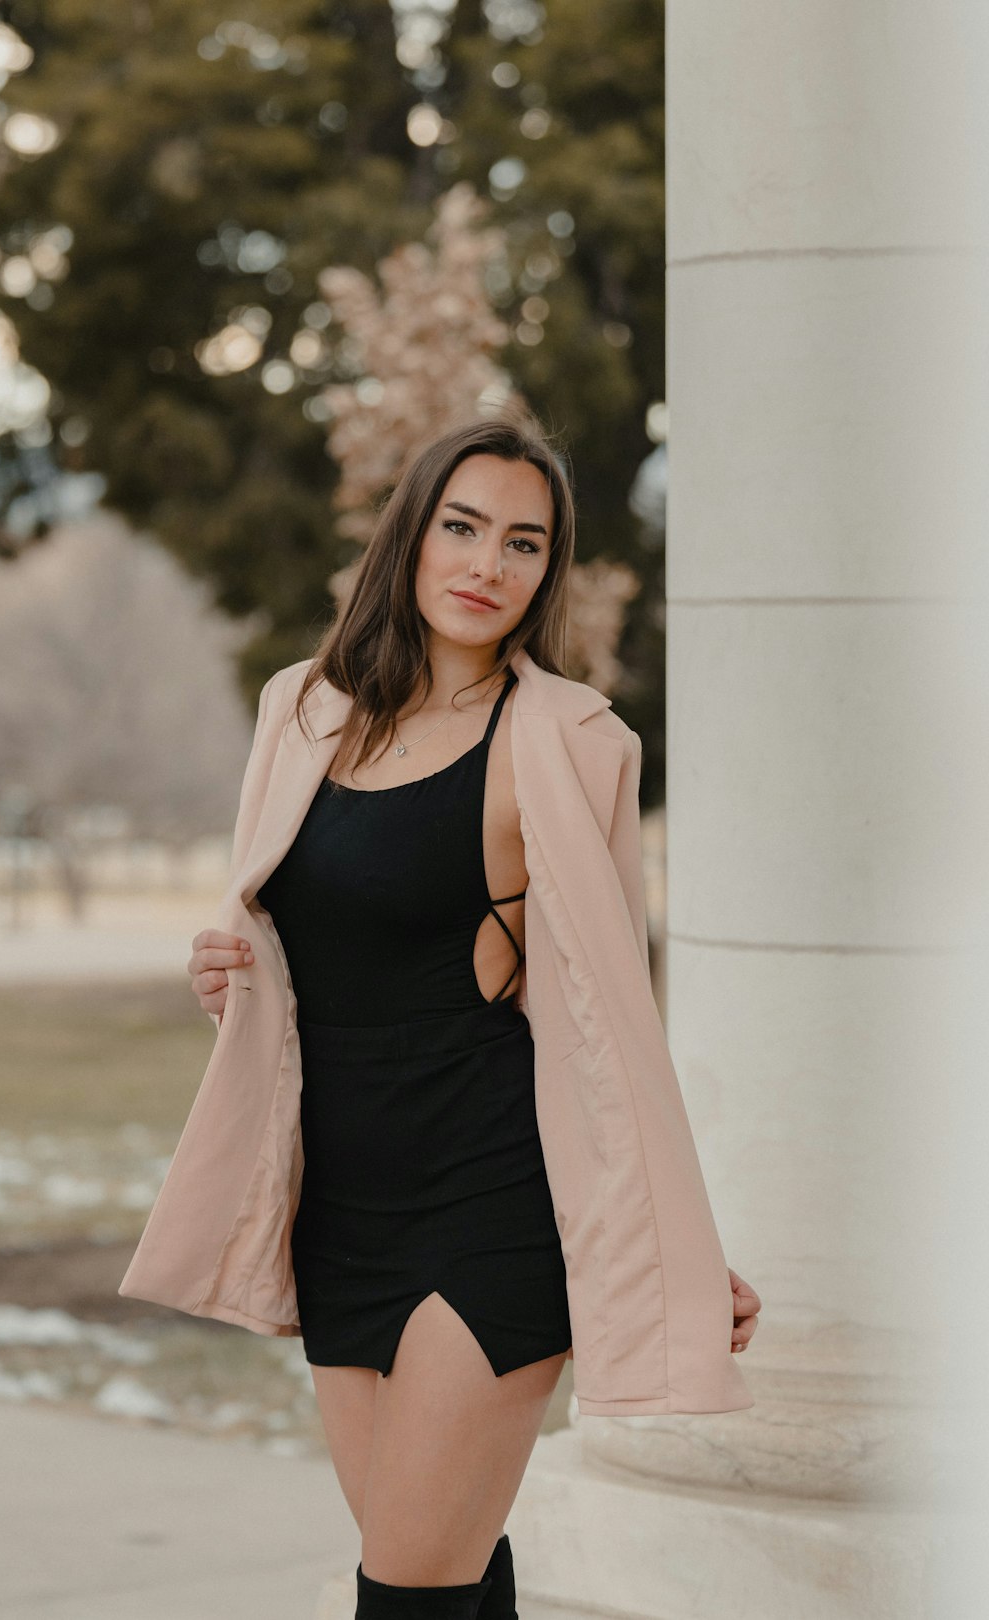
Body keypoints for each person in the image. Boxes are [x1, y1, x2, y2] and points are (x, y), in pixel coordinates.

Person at [184, 410, 762, 1619]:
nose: (487, 566)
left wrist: (680, 1247)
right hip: (339, 1213)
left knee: (405, 1589)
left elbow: (607, 1029)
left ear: (548, 568)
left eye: (523, 543)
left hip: (489, 1208)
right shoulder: (303, 711)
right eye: (462, 528)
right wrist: (234, 983)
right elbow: (303, 959)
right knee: (445, 1572)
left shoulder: (564, 742)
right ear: (409, 537)